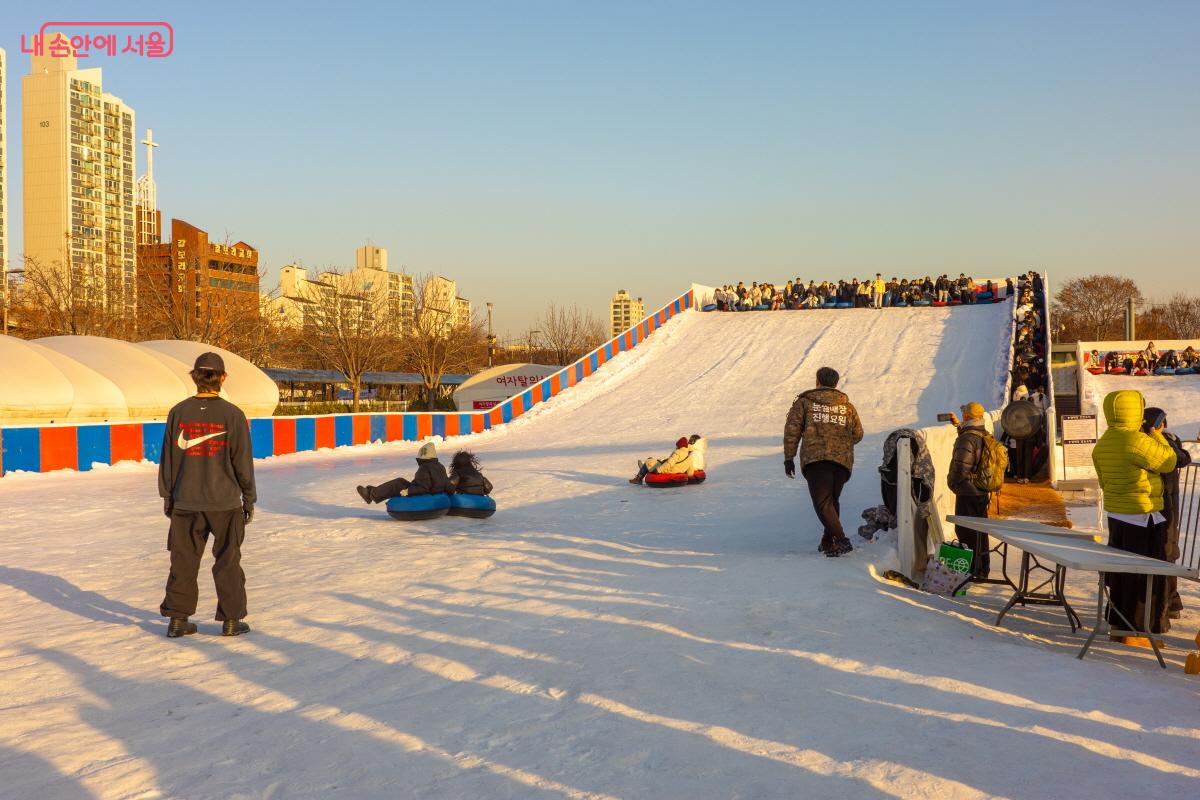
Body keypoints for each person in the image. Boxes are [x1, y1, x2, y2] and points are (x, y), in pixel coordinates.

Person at [158, 352, 256, 639]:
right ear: (222, 378)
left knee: (183, 561)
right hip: (224, 503)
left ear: (194, 377)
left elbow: (169, 459)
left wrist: (168, 497)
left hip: (185, 501)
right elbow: (242, 462)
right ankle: (231, 620)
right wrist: (248, 498)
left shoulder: (178, 412)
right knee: (227, 560)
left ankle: (178, 619)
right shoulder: (233, 415)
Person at [1091, 391, 1176, 645]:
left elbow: (1104, 480)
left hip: (1118, 515)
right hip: (1144, 516)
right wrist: (1157, 436)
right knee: (1147, 576)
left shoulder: (1105, 441)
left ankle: (1119, 625)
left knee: (1122, 575)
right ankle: (1140, 631)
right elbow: (1169, 462)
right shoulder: (1136, 440)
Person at [783, 367, 864, 556]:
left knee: (823, 503)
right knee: (831, 501)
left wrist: (789, 458)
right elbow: (858, 434)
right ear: (836, 383)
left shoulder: (805, 403)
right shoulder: (847, 406)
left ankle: (842, 541)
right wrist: (840, 441)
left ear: (818, 381)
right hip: (842, 461)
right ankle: (828, 542)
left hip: (816, 459)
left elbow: (792, 431)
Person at [1146, 408, 1190, 620]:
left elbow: (1182, 457)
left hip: (1159, 504)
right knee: (1166, 552)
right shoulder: (1161, 443)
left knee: (1166, 552)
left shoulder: (1150, 441)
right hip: (1164, 505)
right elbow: (1181, 458)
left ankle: (1171, 600)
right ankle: (1166, 602)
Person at [946, 402, 997, 579]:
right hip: (982, 490)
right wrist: (958, 426)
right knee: (980, 532)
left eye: (964, 414)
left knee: (966, 532)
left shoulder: (967, 439)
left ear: (968, 416)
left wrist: (952, 484)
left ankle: (972, 571)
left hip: (968, 492)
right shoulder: (983, 433)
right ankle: (982, 569)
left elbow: (961, 467)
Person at [357, 441, 449, 503]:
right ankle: (374, 491)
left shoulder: (424, 468)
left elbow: (423, 488)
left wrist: (408, 491)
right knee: (400, 481)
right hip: (435, 494)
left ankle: (371, 494)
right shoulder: (440, 466)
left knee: (397, 484)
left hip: (424, 495)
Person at [630, 437, 694, 484]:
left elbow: (669, 464)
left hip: (667, 470)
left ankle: (638, 478)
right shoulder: (688, 456)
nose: (676, 447)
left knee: (649, 461)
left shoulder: (677, 453)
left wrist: (658, 470)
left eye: (677, 446)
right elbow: (690, 472)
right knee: (655, 461)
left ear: (679, 446)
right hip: (676, 471)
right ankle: (645, 469)